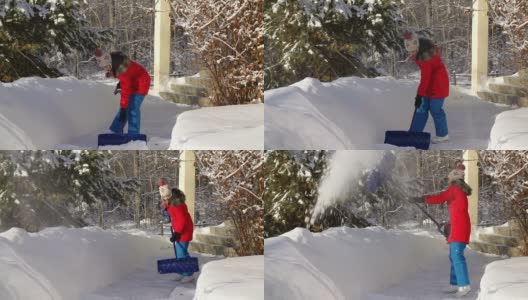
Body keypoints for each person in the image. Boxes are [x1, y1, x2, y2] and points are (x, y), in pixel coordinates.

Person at [421, 161, 472, 298]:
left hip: (459, 228)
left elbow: (440, 198)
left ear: (453, 180)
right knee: (453, 256)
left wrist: (422, 199)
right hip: (459, 226)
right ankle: (455, 283)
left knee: (456, 256)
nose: (448, 182)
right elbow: (457, 212)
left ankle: (464, 285)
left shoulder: (455, 189)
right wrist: (449, 225)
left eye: (449, 180)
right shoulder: (459, 190)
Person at [403, 31, 450, 144]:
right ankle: (414, 133)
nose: (412, 54)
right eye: (410, 52)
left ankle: (443, 135)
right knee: (421, 108)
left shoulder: (425, 58)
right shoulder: (421, 52)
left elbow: (425, 79)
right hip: (430, 84)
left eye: (414, 51)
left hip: (439, 85)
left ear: (418, 47)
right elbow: (427, 79)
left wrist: (419, 95)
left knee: (435, 109)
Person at [95, 49, 151, 136]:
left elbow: (126, 90)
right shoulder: (117, 63)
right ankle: (115, 130)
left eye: (106, 67)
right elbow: (127, 77)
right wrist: (119, 83)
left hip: (141, 83)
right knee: (123, 110)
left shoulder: (122, 69)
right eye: (104, 68)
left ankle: (133, 134)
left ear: (110, 63)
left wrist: (124, 107)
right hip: (133, 82)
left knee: (132, 109)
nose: (105, 69)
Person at [159, 179, 195, 283]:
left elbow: (182, 220)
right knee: (179, 253)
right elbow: (172, 212)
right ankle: (182, 272)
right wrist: (166, 208)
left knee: (182, 253)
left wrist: (177, 233)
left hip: (184, 231)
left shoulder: (177, 206)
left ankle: (189, 274)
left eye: (166, 197)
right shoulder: (173, 203)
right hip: (180, 231)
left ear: (170, 195)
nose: (165, 199)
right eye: (163, 198)